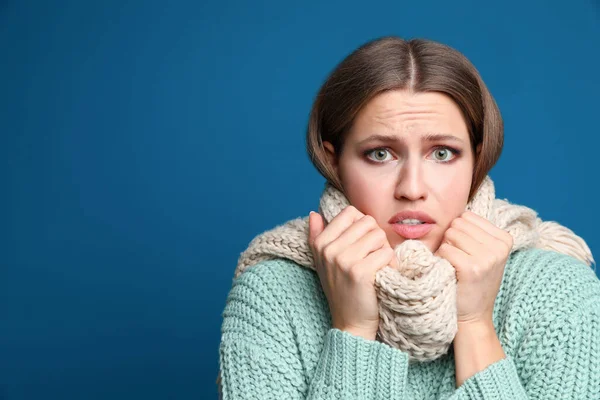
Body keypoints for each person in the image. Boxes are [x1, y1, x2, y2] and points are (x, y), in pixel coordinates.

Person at [217, 36, 600, 399]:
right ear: (333, 160)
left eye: (442, 153)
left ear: (477, 158)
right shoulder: (272, 293)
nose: (412, 188)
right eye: (381, 154)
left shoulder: (560, 290)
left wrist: (475, 326)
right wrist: (353, 332)